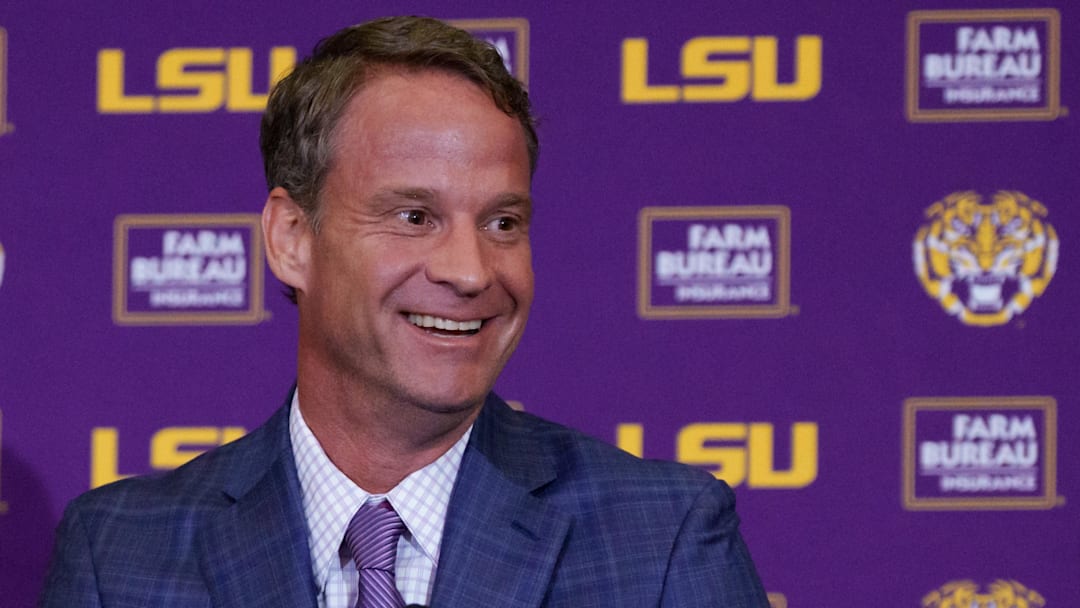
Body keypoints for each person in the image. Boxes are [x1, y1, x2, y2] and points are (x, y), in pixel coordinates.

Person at [40, 16, 768, 607]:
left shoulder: (659, 539)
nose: (470, 269)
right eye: (415, 216)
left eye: (502, 223)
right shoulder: (121, 554)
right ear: (293, 240)